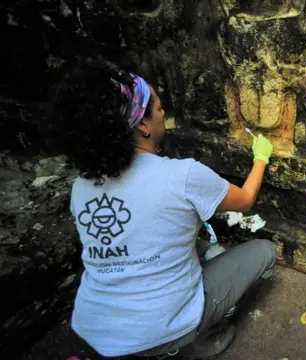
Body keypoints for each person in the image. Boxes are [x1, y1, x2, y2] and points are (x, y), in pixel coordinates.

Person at [51, 59, 276, 359]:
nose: (163, 112)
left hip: (93, 332)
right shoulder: (182, 176)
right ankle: (195, 341)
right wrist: (261, 158)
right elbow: (246, 200)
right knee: (264, 252)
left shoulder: (82, 186)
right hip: (162, 327)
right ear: (143, 125)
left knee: (190, 246)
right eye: (158, 107)